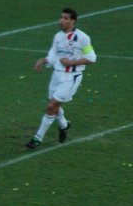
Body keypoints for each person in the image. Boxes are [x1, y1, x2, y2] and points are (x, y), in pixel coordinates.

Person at [25, 8, 97, 148]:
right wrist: (44, 60)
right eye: (61, 17)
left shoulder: (82, 38)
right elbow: (53, 55)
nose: (61, 20)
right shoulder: (58, 36)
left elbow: (92, 58)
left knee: (51, 105)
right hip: (56, 75)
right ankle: (64, 125)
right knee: (55, 106)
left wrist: (72, 63)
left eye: (65, 18)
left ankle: (38, 138)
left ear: (73, 21)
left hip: (71, 78)